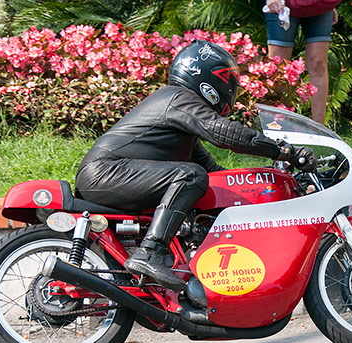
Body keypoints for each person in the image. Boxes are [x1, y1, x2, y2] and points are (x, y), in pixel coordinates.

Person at [74, 40, 316, 291]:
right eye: (227, 81)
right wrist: (283, 150)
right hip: (105, 172)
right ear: (209, 78)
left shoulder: (179, 120)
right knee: (190, 177)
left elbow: (215, 174)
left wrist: (262, 178)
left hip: (108, 174)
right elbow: (223, 133)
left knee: (198, 177)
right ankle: (149, 253)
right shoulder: (177, 98)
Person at [264, 0, 337, 124]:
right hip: (281, 3)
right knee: (278, 67)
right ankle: (275, 126)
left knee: (318, 62)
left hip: (318, 6)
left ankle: (318, 131)